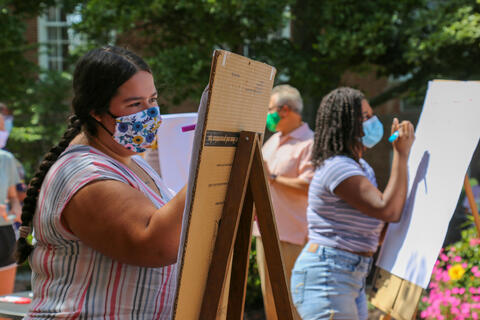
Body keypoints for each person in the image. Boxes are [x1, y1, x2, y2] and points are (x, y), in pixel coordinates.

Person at [15, 46, 187, 319]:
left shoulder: (131, 161)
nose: (150, 113)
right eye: (135, 104)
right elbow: (154, 245)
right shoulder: (83, 174)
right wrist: (211, 166)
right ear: (96, 111)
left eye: (152, 100)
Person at [290, 87, 415, 320]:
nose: (373, 121)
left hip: (349, 275)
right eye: (365, 117)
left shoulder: (361, 167)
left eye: (371, 115)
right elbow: (388, 209)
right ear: (345, 124)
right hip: (328, 276)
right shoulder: (338, 167)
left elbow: (380, 216)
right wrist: (401, 154)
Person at [253, 84, 314, 320]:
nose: (267, 116)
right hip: (265, 232)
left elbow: (310, 185)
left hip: (295, 236)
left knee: (295, 302)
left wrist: (274, 178)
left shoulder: (310, 143)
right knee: (271, 300)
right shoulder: (271, 142)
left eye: (270, 109)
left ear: (285, 110)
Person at [0, 131, 21, 295]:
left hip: (4, 232)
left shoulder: (6, 158)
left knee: (4, 304)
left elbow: (13, 197)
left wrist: (16, 208)